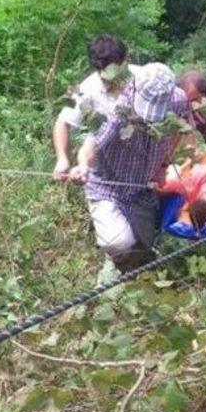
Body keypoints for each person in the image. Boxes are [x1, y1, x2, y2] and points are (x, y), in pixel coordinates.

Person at [69, 63, 191, 272]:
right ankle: (115, 261)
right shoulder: (118, 110)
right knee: (118, 243)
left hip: (141, 186)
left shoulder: (179, 101)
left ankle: (135, 272)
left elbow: (178, 131)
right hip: (107, 185)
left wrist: (162, 164)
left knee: (145, 248)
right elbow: (91, 146)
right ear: (134, 89)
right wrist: (82, 166)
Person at [52, 34, 130, 180]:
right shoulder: (87, 89)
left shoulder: (142, 79)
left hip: (143, 165)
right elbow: (63, 122)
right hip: (105, 171)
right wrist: (62, 159)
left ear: (124, 62)